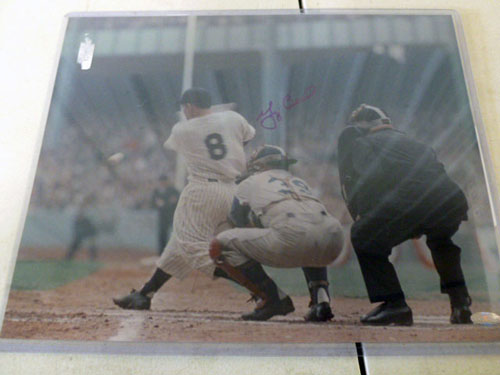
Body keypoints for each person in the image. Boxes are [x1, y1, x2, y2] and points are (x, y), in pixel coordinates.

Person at [113, 87, 255, 310]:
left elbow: (183, 139)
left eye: (184, 108)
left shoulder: (182, 129)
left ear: (189, 107)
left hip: (204, 191)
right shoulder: (233, 118)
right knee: (178, 244)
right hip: (233, 191)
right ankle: (145, 294)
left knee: (192, 248)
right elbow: (244, 138)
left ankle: (264, 289)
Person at [337, 103, 473, 326]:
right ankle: (460, 303)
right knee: (441, 241)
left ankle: (394, 305)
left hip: (413, 200)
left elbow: (372, 179)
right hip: (451, 200)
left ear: (360, 127)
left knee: (362, 235)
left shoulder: (363, 143)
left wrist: (368, 214)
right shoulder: (416, 143)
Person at [209, 145, 344, 321]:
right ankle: (322, 300)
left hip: (291, 237)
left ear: (257, 166)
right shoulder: (299, 182)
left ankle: (271, 298)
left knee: (220, 245)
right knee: (310, 231)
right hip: (334, 237)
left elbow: (236, 221)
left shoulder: (249, 182)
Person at [151, 175, 179, 255]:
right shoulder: (156, 191)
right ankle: (162, 253)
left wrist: (164, 204)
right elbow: (153, 203)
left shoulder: (173, 190)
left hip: (172, 215)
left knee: (176, 233)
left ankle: (175, 251)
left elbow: (175, 200)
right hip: (162, 216)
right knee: (162, 234)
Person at [65, 193, 99, 260]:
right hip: (83, 228)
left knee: (91, 243)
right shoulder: (83, 208)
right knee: (76, 243)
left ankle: (93, 257)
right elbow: (78, 218)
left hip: (89, 229)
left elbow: (93, 221)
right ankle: (69, 257)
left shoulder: (92, 208)